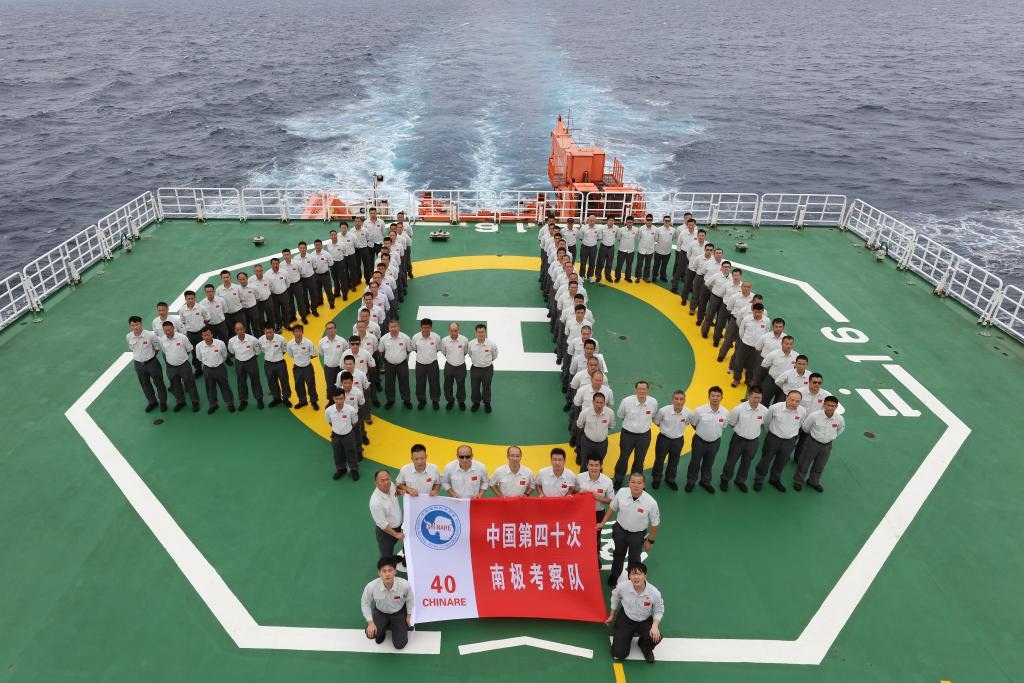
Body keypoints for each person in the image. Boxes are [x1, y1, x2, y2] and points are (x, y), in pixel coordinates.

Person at [598, 473, 659, 588]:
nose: (636, 485)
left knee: (635, 559)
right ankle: (615, 574)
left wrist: (650, 541)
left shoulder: (651, 502)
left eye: (639, 483)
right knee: (618, 554)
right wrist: (602, 522)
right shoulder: (622, 492)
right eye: (633, 482)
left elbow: (655, 524)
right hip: (620, 531)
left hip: (637, 535)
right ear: (629, 483)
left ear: (644, 485)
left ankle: (632, 578)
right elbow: (612, 507)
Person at [607, 562, 664, 663]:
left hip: (644, 620)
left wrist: (655, 626)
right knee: (619, 653)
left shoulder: (654, 593)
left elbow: (659, 610)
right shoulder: (622, 587)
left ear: (645, 576)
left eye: (639, 574)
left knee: (656, 637)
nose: (636, 577)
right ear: (629, 576)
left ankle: (644, 646)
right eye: (633, 574)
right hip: (626, 618)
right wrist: (611, 615)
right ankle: (623, 636)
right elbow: (615, 597)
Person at [753, 390, 807, 492]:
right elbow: (767, 422)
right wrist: (772, 432)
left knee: (781, 461)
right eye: (792, 400)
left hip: (789, 441)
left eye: (797, 401)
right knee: (765, 460)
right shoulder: (774, 408)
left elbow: (799, 424)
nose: (794, 403)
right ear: (786, 398)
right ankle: (759, 479)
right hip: (773, 439)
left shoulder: (802, 411)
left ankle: (774, 479)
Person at [720, 386, 768, 492]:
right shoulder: (738, 409)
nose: (757, 400)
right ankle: (725, 479)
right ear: (749, 396)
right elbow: (732, 423)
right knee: (731, 461)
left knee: (747, 463)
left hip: (753, 441)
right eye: (754, 397)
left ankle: (740, 480)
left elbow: (763, 423)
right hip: (738, 440)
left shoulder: (764, 411)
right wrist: (741, 431)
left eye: (759, 398)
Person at [794, 396, 845, 492]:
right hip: (812, 443)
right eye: (828, 405)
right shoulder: (814, 416)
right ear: (824, 405)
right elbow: (805, 427)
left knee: (820, 465)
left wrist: (831, 437)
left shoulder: (839, 419)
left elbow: (840, 429)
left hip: (827, 446)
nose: (830, 408)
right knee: (804, 463)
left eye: (833, 406)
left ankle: (813, 481)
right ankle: (798, 481)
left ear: (836, 407)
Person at [361, 556, 413, 650]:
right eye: (384, 571)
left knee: (400, 645)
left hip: (398, 612)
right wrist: (370, 622)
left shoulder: (405, 585)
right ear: (379, 573)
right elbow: (365, 603)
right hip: (381, 612)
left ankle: (393, 625)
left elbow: (410, 600)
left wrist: (409, 616)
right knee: (372, 635)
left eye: (390, 570)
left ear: (395, 571)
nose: (387, 574)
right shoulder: (371, 586)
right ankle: (384, 627)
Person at [613, 381, 658, 488]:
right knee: (623, 458)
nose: (642, 391)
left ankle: (636, 481)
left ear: (647, 390)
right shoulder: (626, 402)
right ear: (636, 390)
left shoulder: (653, 402)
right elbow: (620, 415)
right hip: (627, 435)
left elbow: (653, 415)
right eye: (640, 389)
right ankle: (619, 478)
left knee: (640, 459)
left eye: (644, 389)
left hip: (644, 436)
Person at [685, 386, 728, 494]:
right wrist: (703, 433)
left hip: (715, 443)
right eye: (713, 395)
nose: (715, 398)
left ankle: (705, 482)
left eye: (718, 396)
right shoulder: (700, 410)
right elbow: (693, 423)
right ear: (709, 397)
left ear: (721, 397)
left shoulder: (725, 412)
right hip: (699, 441)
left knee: (709, 463)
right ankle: (691, 481)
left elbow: (723, 426)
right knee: (695, 462)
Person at [126, 315, 167, 412]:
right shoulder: (129, 337)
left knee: (159, 382)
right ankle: (152, 401)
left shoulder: (150, 335)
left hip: (152, 363)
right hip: (138, 364)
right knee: (145, 384)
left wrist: (149, 357)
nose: (135, 327)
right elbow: (132, 348)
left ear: (141, 324)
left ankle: (163, 402)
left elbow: (157, 348)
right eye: (132, 325)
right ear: (130, 326)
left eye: (137, 324)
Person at [651, 390, 690, 490]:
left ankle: (670, 479)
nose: (679, 401)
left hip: (678, 440)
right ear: (672, 400)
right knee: (659, 460)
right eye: (676, 399)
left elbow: (686, 423)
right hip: (664, 439)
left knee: (674, 461)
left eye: (681, 399)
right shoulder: (663, 411)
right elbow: (656, 421)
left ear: (684, 400)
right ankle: (656, 478)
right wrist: (666, 430)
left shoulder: (688, 412)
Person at [157, 320, 200, 412]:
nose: (167, 332)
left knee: (190, 383)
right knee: (175, 385)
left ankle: (195, 401)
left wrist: (182, 358)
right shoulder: (162, 340)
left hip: (184, 365)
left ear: (173, 329)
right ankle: (180, 401)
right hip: (171, 367)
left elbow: (189, 349)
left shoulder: (182, 337)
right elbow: (164, 351)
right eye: (165, 330)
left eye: (169, 330)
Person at [196, 326, 235, 414]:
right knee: (210, 388)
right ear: (202, 336)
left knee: (225, 386)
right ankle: (213, 404)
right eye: (204, 335)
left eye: (208, 335)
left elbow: (224, 355)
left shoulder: (220, 343)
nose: (207, 337)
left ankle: (230, 403)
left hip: (220, 368)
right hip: (207, 369)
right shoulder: (199, 346)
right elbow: (199, 358)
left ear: (212, 334)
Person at [227, 321, 264, 411]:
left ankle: (259, 399)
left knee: (255, 381)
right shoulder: (231, 341)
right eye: (237, 330)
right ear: (235, 330)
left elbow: (257, 352)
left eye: (241, 329)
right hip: (239, 362)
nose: (240, 331)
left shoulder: (253, 340)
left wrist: (251, 359)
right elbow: (232, 351)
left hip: (251, 361)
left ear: (245, 329)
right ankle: (243, 400)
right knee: (241, 382)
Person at [378, 318, 413, 409]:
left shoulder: (405, 338)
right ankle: (390, 400)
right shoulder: (383, 339)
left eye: (395, 326)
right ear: (388, 328)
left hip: (402, 364)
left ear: (399, 327)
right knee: (389, 383)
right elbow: (381, 351)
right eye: (391, 327)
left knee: (404, 383)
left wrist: (401, 357)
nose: (393, 329)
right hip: (389, 364)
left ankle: (406, 400)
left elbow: (409, 350)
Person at [369, 470, 404, 559]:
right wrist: (396, 534)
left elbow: (395, 492)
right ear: (376, 483)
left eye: (387, 479)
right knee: (386, 555)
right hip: (387, 532)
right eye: (382, 480)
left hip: (399, 525)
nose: (386, 482)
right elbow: (382, 524)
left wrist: (401, 492)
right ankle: (387, 564)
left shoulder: (391, 485)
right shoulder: (375, 502)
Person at [325, 391, 360, 480]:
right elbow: (329, 422)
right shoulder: (329, 410)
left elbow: (354, 422)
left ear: (344, 398)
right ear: (333, 399)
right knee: (337, 453)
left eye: (341, 399)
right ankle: (341, 469)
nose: (339, 401)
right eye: (336, 399)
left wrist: (346, 430)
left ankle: (354, 469)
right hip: (335, 436)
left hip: (348, 435)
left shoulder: (351, 410)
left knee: (351, 452)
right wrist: (338, 430)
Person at [575, 391, 616, 466]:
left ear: (604, 403)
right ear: (593, 402)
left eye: (601, 403)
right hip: (587, 443)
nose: (599, 405)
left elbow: (611, 426)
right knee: (585, 463)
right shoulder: (585, 413)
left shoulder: (610, 413)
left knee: (599, 464)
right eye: (597, 402)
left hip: (602, 444)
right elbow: (580, 425)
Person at [257, 322, 291, 407]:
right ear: (264, 331)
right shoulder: (260, 340)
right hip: (268, 364)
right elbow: (262, 350)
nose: (268, 334)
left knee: (284, 381)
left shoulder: (281, 339)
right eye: (266, 332)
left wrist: (277, 357)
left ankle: (286, 398)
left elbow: (284, 350)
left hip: (280, 363)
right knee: (271, 382)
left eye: (270, 332)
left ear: (274, 331)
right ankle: (276, 398)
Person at [576, 454, 614, 530]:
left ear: (601, 466)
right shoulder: (580, 477)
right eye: (591, 465)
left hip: (598, 513)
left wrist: (599, 498)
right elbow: (574, 492)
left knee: (596, 534)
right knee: (580, 532)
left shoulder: (608, 481)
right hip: (581, 511)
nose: (593, 468)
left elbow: (611, 501)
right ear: (587, 465)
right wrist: (579, 493)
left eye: (596, 465)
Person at [286, 324, 319, 410]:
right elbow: (290, 354)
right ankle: (302, 401)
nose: (298, 333)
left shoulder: (308, 342)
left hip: (308, 367)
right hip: (297, 368)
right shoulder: (290, 344)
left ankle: (314, 401)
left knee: (311, 384)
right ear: (293, 333)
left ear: (302, 332)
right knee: (298, 385)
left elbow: (314, 354)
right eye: (296, 331)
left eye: (299, 331)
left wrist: (306, 359)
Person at [467, 323, 498, 413]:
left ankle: (487, 403)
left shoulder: (491, 344)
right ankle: (476, 402)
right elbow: (470, 354)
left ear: (485, 332)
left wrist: (487, 362)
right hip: (475, 369)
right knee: (475, 387)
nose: (480, 334)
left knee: (486, 387)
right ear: (476, 332)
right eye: (479, 332)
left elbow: (494, 355)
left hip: (487, 369)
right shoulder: (471, 344)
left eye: (482, 332)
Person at [412, 318, 441, 410]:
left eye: (427, 327)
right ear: (421, 327)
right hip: (420, 364)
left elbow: (438, 348)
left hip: (433, 363)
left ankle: (435, 400)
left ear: (431, 327)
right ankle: (422, 400)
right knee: (420, 384)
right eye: (424, 327)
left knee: (434, 383)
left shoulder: (436, 337)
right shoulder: (415, 337)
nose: (425, 329)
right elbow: (415, 349)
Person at [439, 322, 469, 410]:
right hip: (449, 366)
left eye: (456, 331)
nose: (454, 333)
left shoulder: (464, 340)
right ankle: (450, 401)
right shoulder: (444, 340)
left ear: (458, 330)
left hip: (461, 366)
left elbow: (465, 352)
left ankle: (461, 401)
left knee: (461, 385)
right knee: (448, 384)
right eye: (452, 331)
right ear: (449, 330)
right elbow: (444, 352)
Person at [179, 290, 209, 376]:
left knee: (206, 349)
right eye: (188, 299)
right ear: (185, 299)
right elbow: (183, 321)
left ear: (195, 298)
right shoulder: (182, 310)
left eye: (192, 298)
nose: (191, 300)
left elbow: (207, 318)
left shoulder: (201, 308)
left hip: (202, 333)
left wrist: (202, 328)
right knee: (194, 352)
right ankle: (198, 369)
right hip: (191, 334)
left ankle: (208, 366)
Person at [318, 322, 347, 400]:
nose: (330, 330)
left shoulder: (342, 341)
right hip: (328, 369)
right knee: (330, 385)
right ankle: (331, 401)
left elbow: (346, 353)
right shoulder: (321, 342)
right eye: (328, 328)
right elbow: (321, 353)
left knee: (341, 385)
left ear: (335, 329)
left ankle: (342, 400)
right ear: (326, 330)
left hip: (340, 368)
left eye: (331, 328)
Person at [216, 270, 245, 338]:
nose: (226, 279)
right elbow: (219, 303)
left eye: (227, 277)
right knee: (231, 333)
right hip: (227, 316)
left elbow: (241, 299)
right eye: (224, 277)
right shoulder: (218, 290)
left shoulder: (237, 287)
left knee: (243, 331)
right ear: (221, 278)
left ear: (230, 277)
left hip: (239, 313)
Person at [266, 258, 292, 332]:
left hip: (284, 294)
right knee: (276, 311)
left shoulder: (284, 272)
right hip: (273, 296)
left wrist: (283, 289)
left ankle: (287, 325)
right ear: (271, 264)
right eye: (273, 264)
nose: (275, 265)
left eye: (276, 263)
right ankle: (279, 325)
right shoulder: (267, 274)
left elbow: (288, 283)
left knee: (286, 310)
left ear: (279, 264)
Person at [310, 239, 336, 309]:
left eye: (319, 245)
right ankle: (320, 301)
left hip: (325, 275)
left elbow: (331, 263)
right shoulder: (311, 255)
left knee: (328, 290)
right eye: (316, 245)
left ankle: (331, 303)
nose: (317, 246)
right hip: (316, 275)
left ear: (321, 245)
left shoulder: (326, 254)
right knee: (317, 289)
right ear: (314, 246)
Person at [235, 272, 261, 337]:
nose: (242, 281)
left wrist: (252, 305)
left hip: (253, 309)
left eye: (244, 279)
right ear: (238, 280)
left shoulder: (253, 287)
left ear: (247, 278)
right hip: (243, 311)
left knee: (256, 326)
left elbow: (257, 298)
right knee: (245, 327)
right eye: (240, 279)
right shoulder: (236, 289)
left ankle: (258, 339)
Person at [651, 215, 674, 282]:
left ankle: (663, 276)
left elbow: (673, 238)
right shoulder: (658, 229)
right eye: (665, 220)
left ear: (670, 221)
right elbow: (655, 239)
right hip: (659, 251)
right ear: (663, 221)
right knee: (656, 265)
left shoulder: (673, 230)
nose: (667, 222)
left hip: (667, 251)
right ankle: (654, 276)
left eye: (668, 221)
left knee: (664, 265)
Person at [634, 214, 656, 282]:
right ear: (645, 220)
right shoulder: (641, 229)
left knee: (648, 265)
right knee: (639, 264)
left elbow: (656, 238)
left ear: (652, 221)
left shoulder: (655, 229)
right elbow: (638, 238)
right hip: (641, 249)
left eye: (650, 220)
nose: (649, 221)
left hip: (650, 250)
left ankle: (646, 277)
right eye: (648, 220)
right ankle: (638, 277)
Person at [614, 216, 637, 283]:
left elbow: (636, 237)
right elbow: (619, 238)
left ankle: (627, 277)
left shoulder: (636, 230)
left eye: (631, 222)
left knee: (629, 265)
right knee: (619, 265)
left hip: (631, 251)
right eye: (628, 222)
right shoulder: (621, 230)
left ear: (633, 222)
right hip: (622, 250)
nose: (629, 224)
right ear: (626, 222)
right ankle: (617, 277)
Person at [595, 216, 617, 282]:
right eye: (610, 220)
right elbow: (599, 237)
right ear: (607, 221)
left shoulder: (616, 228)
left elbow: (617, 236)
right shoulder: (602, 228)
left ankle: (608, 276)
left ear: (614, 221)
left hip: (611, 248)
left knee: (609, 263)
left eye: (612, 220)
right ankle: (598, 276)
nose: (611, 222)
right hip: (603, 247)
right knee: (600, 263)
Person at [578, 215, 600, 280]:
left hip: (593, 248)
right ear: (588, 221)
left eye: (593, 221)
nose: (592, 222)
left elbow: (599, 238)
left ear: (595, 221)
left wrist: (592, 242)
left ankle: (590, 276)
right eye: (591, 220)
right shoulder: (583, 228)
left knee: (592, 263)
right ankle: (582, 275)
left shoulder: (598, 229)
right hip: (584, 247)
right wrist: (587, 242)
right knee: (583, 263)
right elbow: (580, 237)